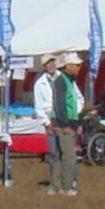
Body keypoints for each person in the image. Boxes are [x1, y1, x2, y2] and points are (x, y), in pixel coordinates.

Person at [32, 56, 82, 195]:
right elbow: (59, 104)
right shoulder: (60, 81)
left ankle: (56, 186)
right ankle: (67, 186)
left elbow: (76, 100)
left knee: (59, 155)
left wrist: (77, 120)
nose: (79, 68)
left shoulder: (68, 80)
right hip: (61, 122)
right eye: (76, 65)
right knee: (67, 156)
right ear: (68, 65)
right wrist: (63, 124)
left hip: (66, 121)